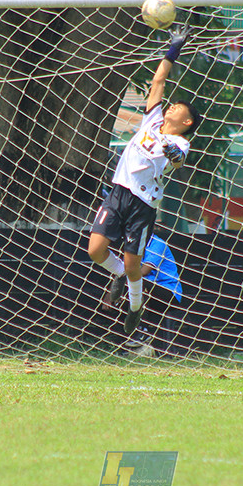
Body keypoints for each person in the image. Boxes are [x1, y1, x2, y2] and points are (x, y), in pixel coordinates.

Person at [88, 23, 200, 336]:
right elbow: (158, 81)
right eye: (172, 104)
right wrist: (173, 49)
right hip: (118, 193)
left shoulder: (181, 143)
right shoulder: (152, 119)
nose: (172, 106)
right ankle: (122, 275)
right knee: (95, 250)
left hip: (142, 205)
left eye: (179, 108)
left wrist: (172, 154)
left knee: (135, 265)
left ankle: (134, 307)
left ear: (186, 122)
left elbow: (177, 160)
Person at [104, 231, 185, 356]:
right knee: (123, 293)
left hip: (168, 292)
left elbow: (144, 271)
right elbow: (122, 271)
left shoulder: (157, 244)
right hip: (146, 290)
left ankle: (141, 332)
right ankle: (124, 340)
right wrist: (110, 295)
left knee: (137, 284)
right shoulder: (132, 245)